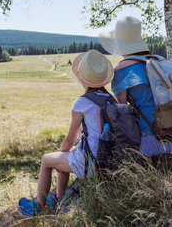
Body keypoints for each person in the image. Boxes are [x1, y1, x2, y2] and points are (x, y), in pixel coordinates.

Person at [18, 49, 115, 216]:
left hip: (91, 163)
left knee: (47, 160)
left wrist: (61, 152)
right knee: (67, 155)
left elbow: (70, 139)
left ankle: (39, 206)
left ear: (82, 78)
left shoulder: (83, 102)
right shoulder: (111, 99)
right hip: (109, 160)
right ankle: (59, 198)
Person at [99, 16, 172, 157]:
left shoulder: (121, 69)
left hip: (148, 141)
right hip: (171, 137)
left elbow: (121, 111)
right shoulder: (155, 62)